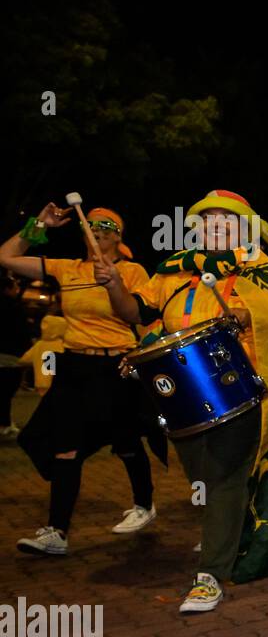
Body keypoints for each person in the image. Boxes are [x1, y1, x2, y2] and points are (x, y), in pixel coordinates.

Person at [99, 189, 268, 611]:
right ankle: (231, 533)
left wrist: (248, 315)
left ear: (246, 229)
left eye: (226, 220)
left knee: (223, 478)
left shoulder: (266, 269)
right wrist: (113, 287)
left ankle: (210, 576)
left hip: (241, 393)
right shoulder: (173, 273)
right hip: (181, 397)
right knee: (202, 474)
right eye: (208, 219)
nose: (215, 225)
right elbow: (136, 314)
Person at [1, 203, 160, 554]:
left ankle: (144, 505)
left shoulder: (133, 271)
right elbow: (7, 257)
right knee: (63, 448)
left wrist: (114, 283)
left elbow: (134, 314)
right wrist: (38, 225)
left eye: (107, 226)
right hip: (74, 367)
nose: (97, 229)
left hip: (116, 366)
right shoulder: (69, 268)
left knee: (127, 441)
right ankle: (57, 531)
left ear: (119, 239)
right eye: (91, 225)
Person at [0, 274, 30, 438]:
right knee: (6, 392)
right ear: (7, 289)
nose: (17, 290)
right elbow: (22, 333)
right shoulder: (14, 308)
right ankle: (4, 424)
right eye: (14, 287)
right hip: (10, 355)